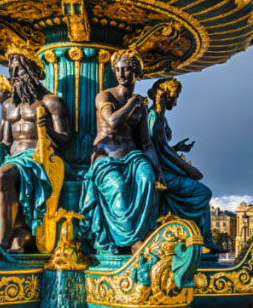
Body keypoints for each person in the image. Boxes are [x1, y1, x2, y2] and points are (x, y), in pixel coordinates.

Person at [0, 48, 70, 251]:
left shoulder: (51, 102)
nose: (16, 76)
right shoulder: (9, 105)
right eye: (13, 71)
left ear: (34, 72)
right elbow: (3, 141)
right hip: (12, 157)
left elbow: (64, 139)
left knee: (3, 174)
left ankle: (3, 239)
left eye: (21, 71)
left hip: (36, 159)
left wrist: (48, 131)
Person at [80, 49, 161, 253]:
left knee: (147, 177)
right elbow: (113, 121)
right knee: (118, 187)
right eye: (117, 70)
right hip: (106, 157)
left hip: (132, 157)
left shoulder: (141, 108)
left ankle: (142, 234)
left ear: (136, 73)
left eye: (126, 70)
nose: (121, 74)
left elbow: (146, 143)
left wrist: (158, 169)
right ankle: (131, 241)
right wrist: (133, 102)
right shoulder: (105, 96)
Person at [146, 78, 227, 253]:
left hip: (162, 169)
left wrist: (176, 148)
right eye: (175, 97)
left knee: (199, 192)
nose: (175, 102)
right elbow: (161, 148)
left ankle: (200, 240)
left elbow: (160, 147)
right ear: (167, 96)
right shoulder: (156, 116)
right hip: (161, 173)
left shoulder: (156, 115)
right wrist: (187, 168)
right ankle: (200, 239)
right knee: (203, 192)